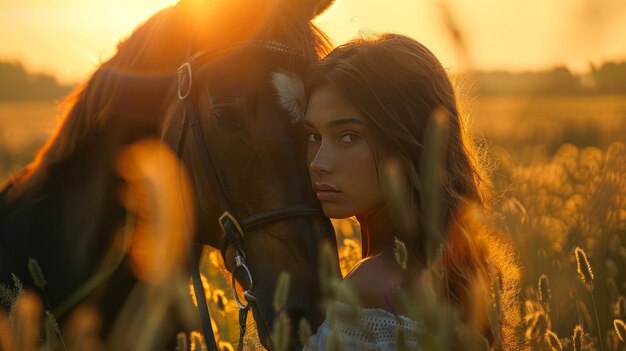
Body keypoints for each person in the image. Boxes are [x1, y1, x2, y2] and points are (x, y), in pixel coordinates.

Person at [302, 33, 524, 350]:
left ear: (407, 142)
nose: (318, 163)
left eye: (348, 137)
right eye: (313, 135)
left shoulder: (370, 285)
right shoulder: (463, 274)